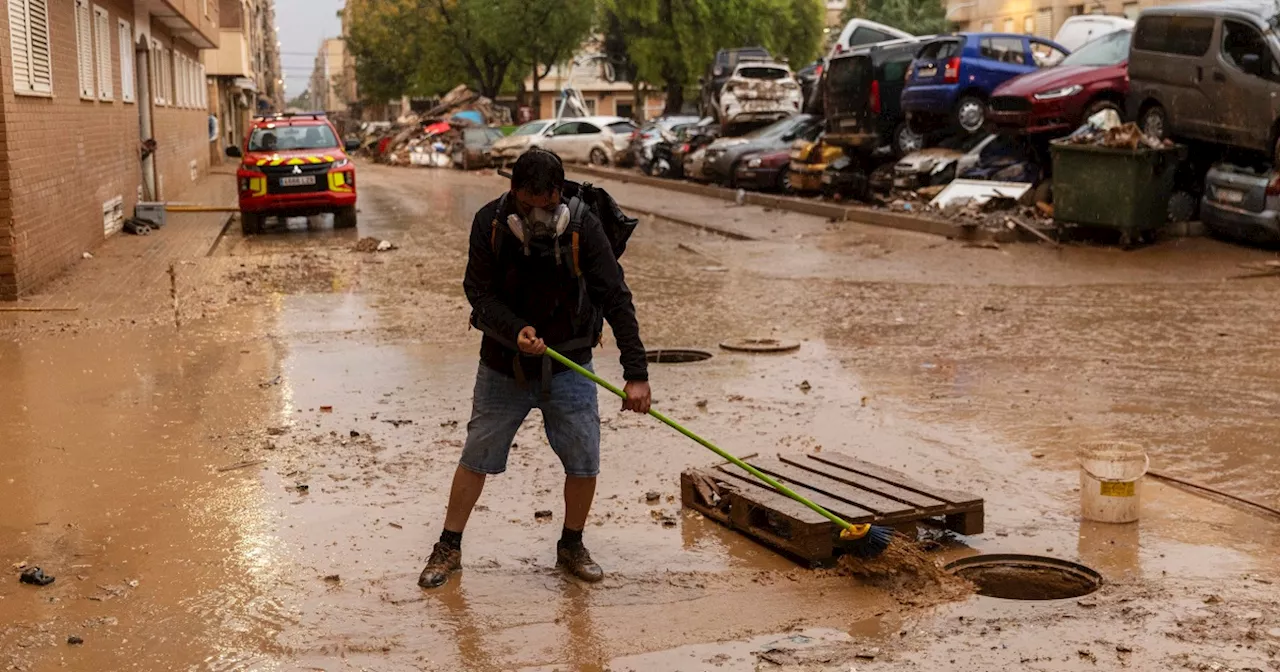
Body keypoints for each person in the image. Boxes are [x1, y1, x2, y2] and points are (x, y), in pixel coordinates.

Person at [419, 148, 651, 589]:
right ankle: (448, 547)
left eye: (542, 205)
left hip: (570, 366)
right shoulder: (489, 223)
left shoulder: (585, 227)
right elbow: (478, 293)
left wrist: (636, 373)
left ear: (557, 195)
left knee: (584, 461)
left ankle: (572, 545)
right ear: (513, 193)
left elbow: (617, 297)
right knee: (476, 456)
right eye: (524, 204)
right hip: (503, 365)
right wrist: (516, 330)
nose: (533, 214)